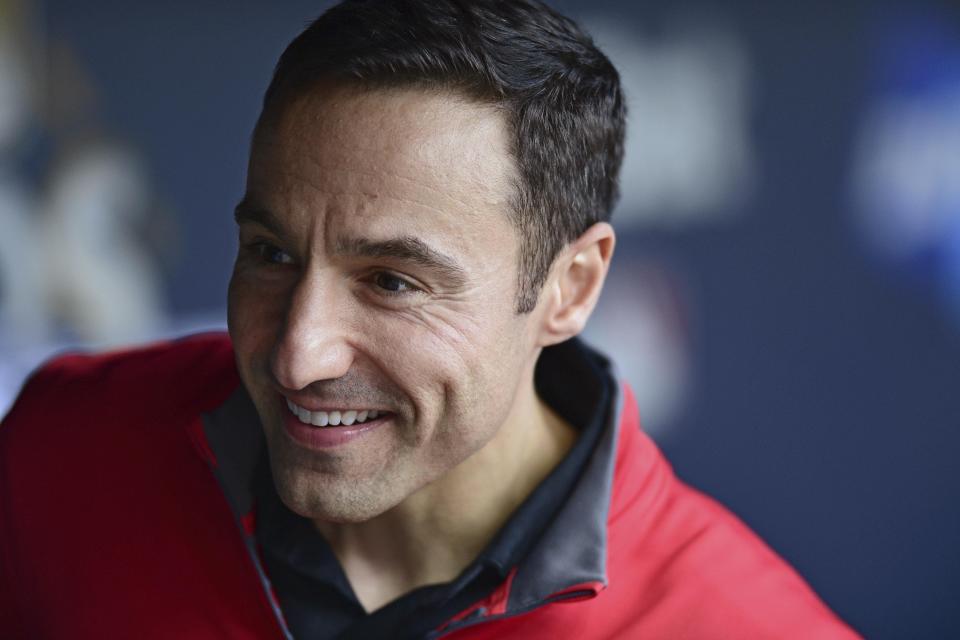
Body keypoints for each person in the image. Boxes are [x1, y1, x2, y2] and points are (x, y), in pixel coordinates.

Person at [0, 1, 860, 638]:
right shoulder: (69, 447)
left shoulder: (742, 624)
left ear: (570, 286)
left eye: (392, 282)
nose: (298, 355)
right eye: (272, 254)